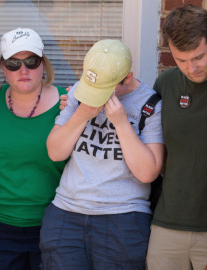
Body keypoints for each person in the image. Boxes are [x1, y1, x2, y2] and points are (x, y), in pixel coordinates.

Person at [40, 39, 165, 269]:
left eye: (105, 87)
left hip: (123, 217)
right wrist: (82, 113)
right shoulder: (79, 91)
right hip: (67, 212)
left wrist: (121, 123)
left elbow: (148, 173)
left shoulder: (149, 104)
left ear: (127, 77)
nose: (96, 94)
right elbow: (55, 152)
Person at [145, 5, 207, 270]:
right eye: (181, 60)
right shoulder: (166, 83)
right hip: (167, 222)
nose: (191, 68)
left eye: (198, 57)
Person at [0, 28, 67, 270]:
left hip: (55, 226)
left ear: (42, 64)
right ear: (3, 67)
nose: (23, 70)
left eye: (31, 61)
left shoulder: (69, 103)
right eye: (13, 63)